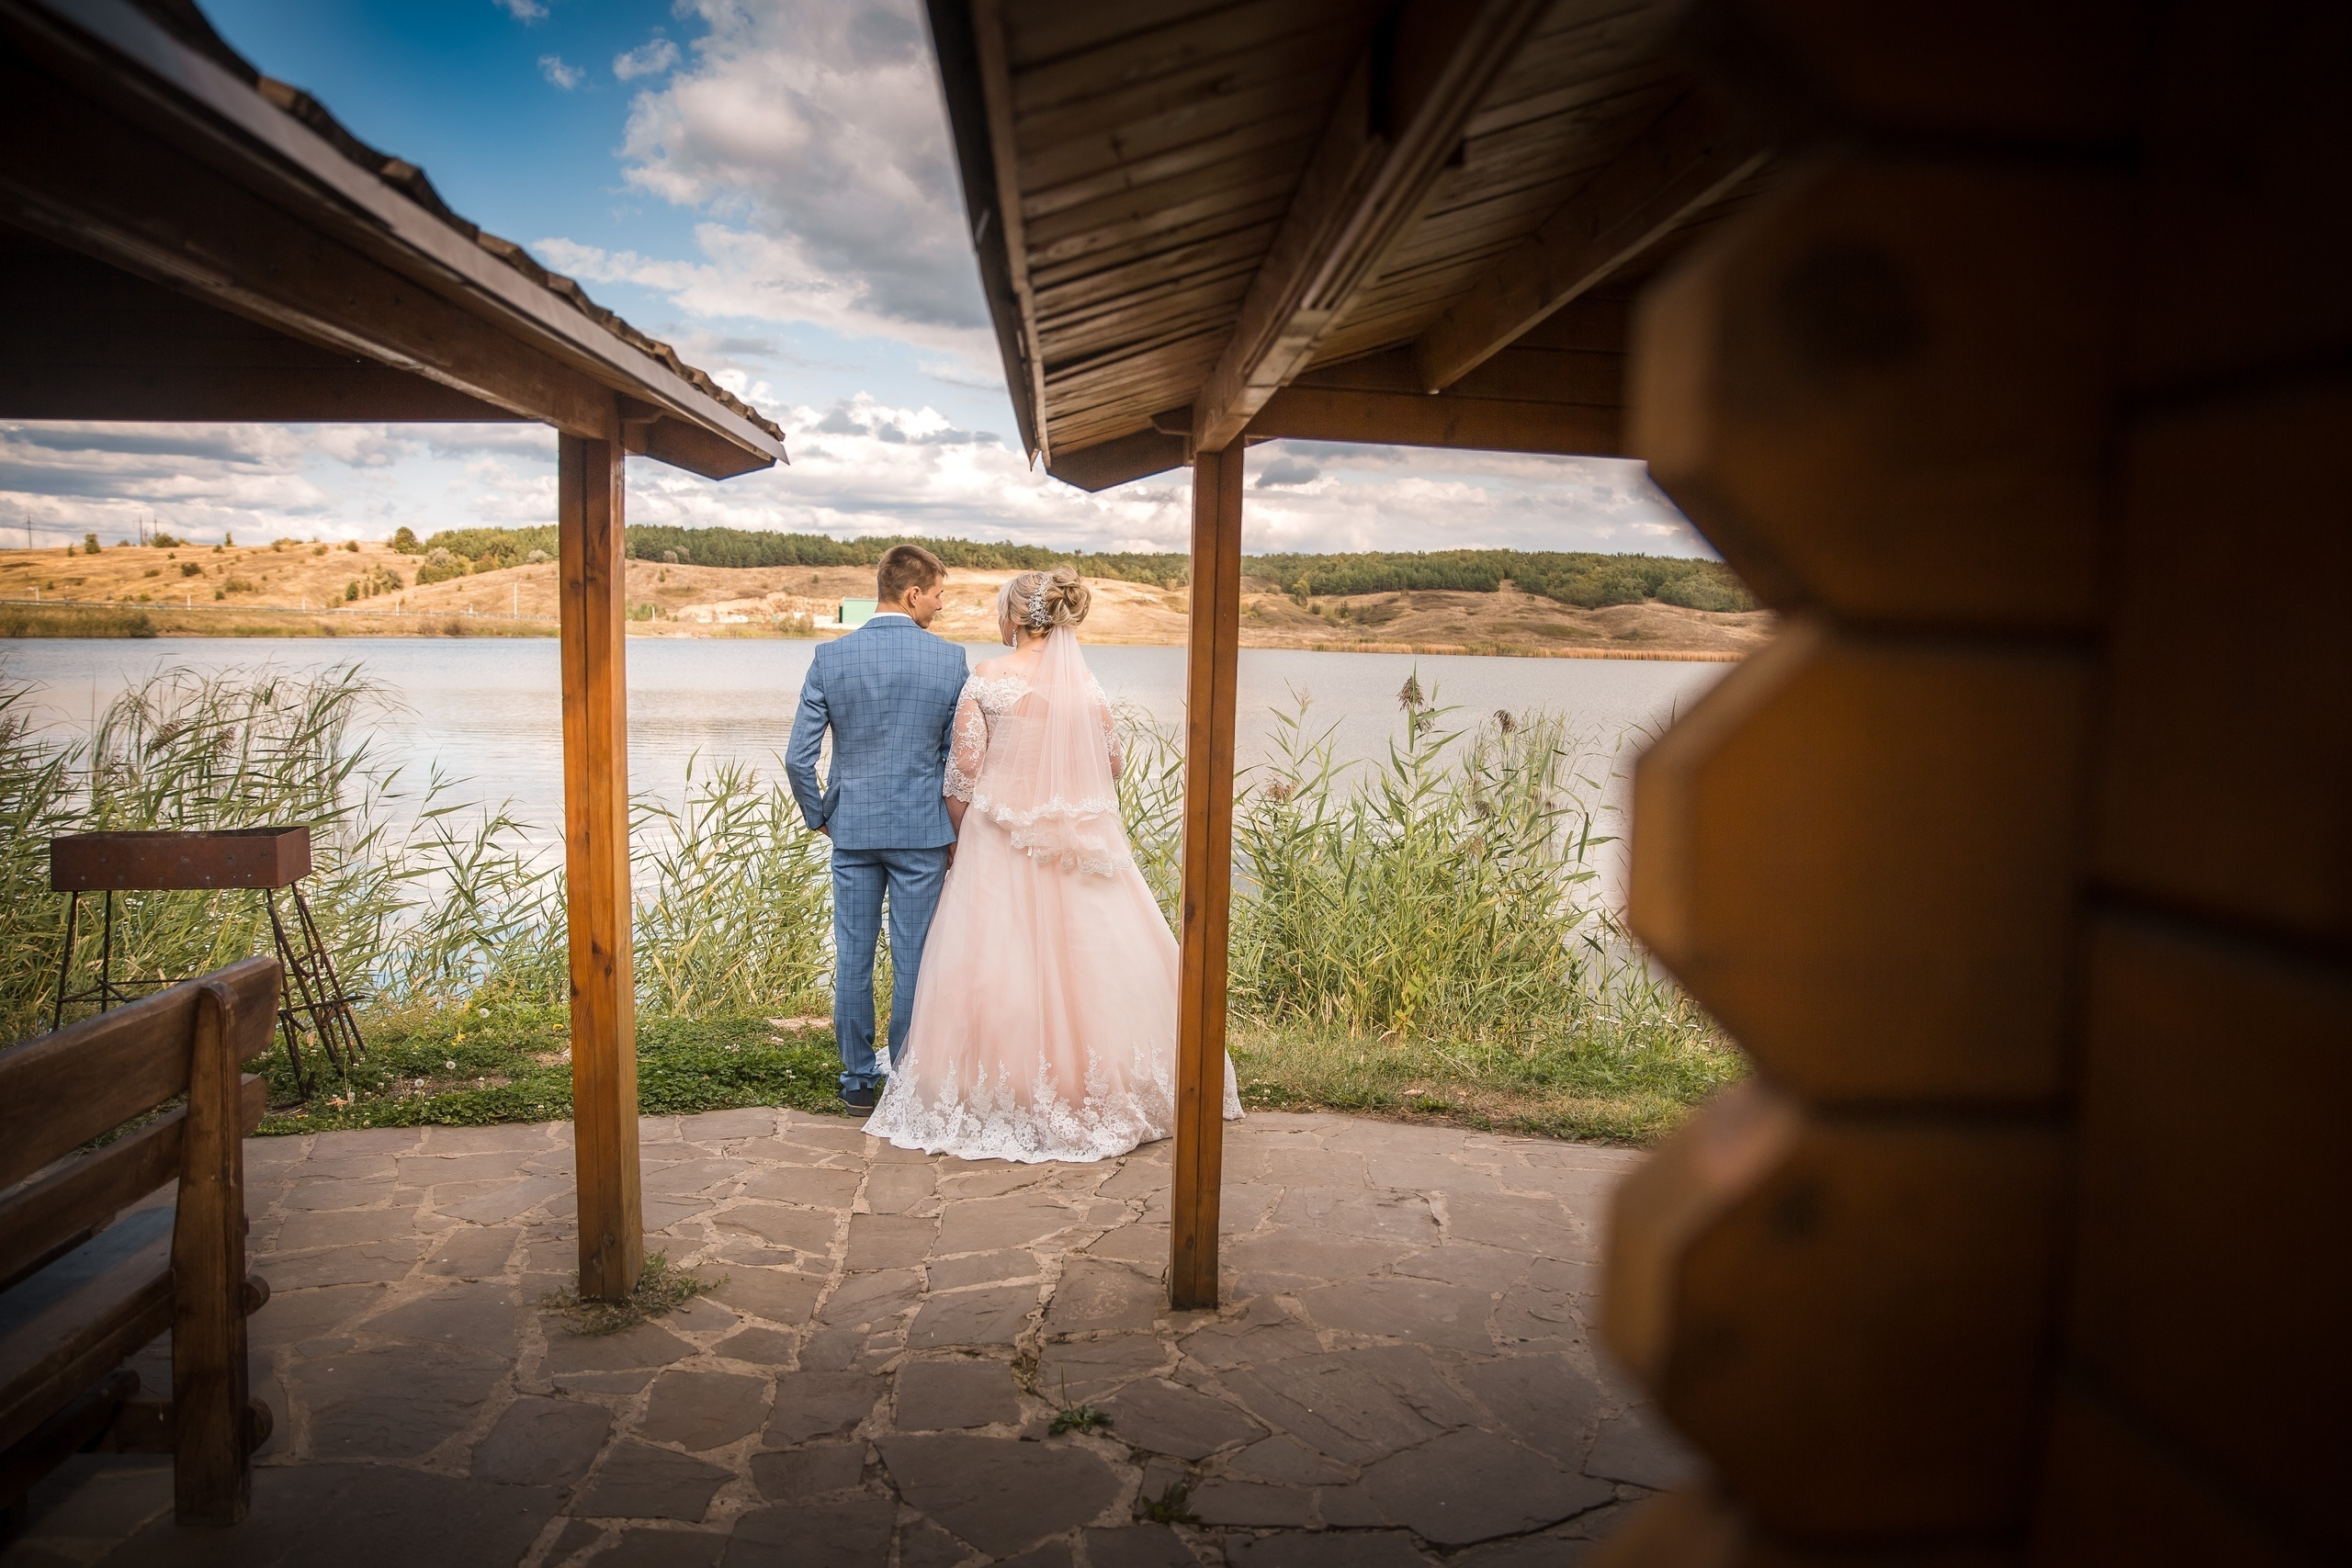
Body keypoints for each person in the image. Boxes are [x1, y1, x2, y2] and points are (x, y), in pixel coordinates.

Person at [866, 567, 1243, 1163]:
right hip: (1078, 836)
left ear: (1016, 617)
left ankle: (992, 1085)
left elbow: (961, 773)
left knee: (994, 965)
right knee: (1092, 962)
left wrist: (962, 837)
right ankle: (1092, 1083)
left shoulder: (987, 678)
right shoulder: (1086, 689)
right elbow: (1113, 764)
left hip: (996, 836)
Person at [786, 544, 968, 1112]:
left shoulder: (830, 658)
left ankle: (858, 1081)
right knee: (914, 955)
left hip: (854, 831)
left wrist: (820, 814)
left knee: (853, 955)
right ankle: (908, 1074)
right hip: (922, 832)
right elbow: (953, 760)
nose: (940, 605)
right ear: (913, 594)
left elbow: (799, 758)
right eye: (937, 594)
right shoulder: (950, 660)